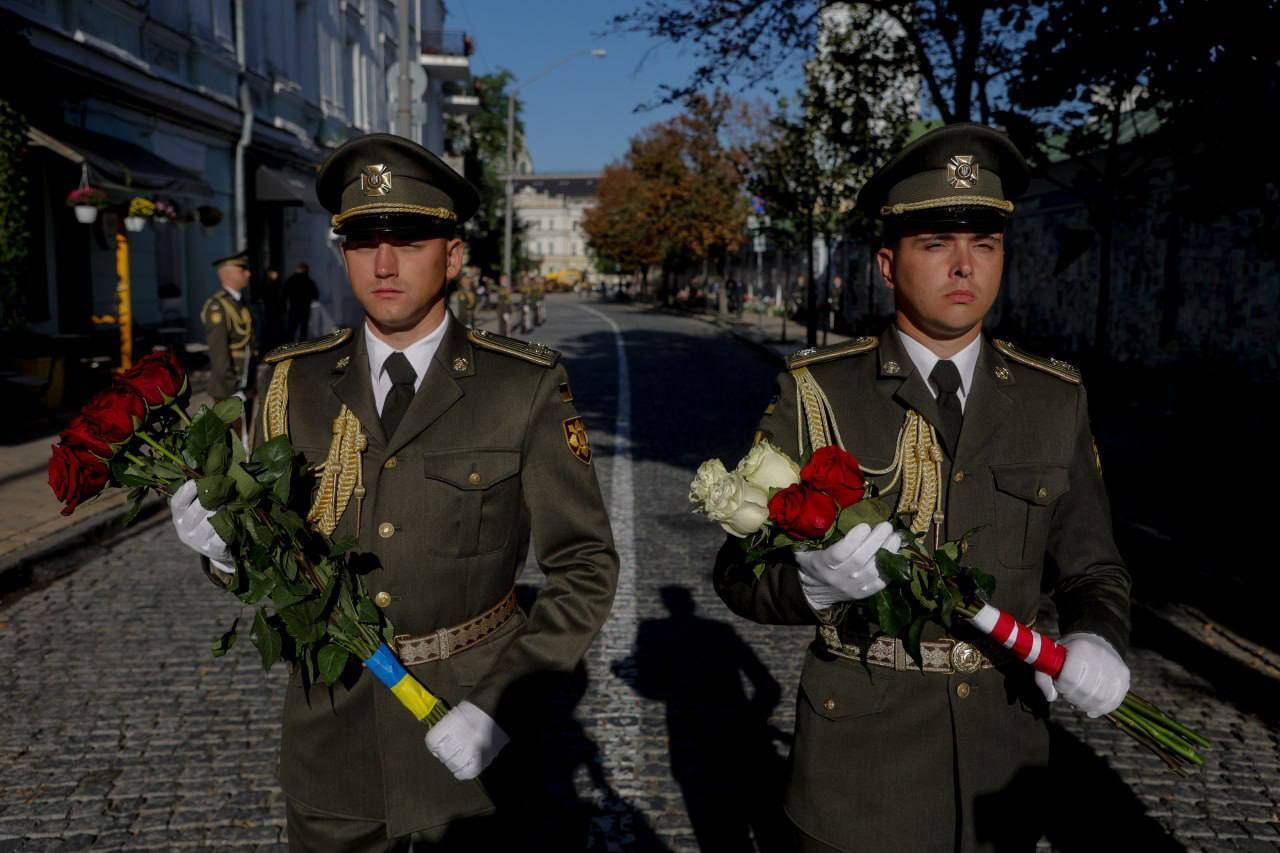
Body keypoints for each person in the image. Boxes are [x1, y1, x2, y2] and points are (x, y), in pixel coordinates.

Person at [168, 132, 620, 849]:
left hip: (470, 722)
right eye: (361, 240)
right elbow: (274, 564)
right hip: (333, 733)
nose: (382, 263)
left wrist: (500, 704)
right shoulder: (293, 385)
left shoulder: (522, 385)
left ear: (453, 254)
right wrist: (226, 552)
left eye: (408, 238)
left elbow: (585, 564)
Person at [713, 123, 1131, 852]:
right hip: (858, 775)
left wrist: (1099, 634)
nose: (964, 266)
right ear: (887, 263)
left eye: (986, 244)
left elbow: (1093, 564)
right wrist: (810, 585)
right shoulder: (820, 394)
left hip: (1005, 763)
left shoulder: (1052, 398)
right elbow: (736, 572)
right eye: (937, 243)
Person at [199, 250, 254, 400]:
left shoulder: (239, 302)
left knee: (245, 424)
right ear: (226, 274)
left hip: (246, 383)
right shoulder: (217, 306)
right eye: (242, 269)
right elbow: (219, 351)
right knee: (230, 424)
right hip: (228, 389)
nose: (248, 274)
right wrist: (232, 387)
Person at [285, 261, 319, 342]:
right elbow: (316, 294)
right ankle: (302, 345)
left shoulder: (291, 279)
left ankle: (290, 346)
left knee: (292, 329)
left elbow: (284, 293)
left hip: (295, 308)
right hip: (304, 308)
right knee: (303, 329)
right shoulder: (308, 280)